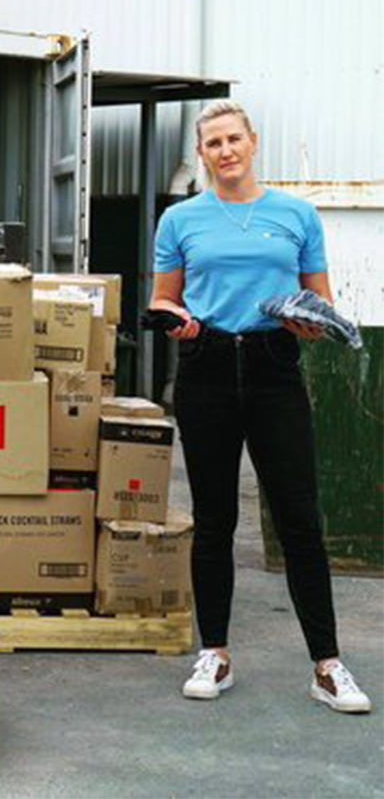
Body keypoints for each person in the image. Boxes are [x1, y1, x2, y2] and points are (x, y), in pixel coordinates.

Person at [150, 99, 371, 713]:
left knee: (300, 521)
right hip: (207, 369)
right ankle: (214, 653)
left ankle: (327, 665)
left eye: (233, 140)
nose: (224, 151)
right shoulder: (181, 220)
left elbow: (317, 297)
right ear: (202, 154)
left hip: (276, 368)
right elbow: (165, 299)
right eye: (212, 143)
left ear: (253, 142)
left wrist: (309, 322)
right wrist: (176, 324)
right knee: (214, 520)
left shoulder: (296, 215)